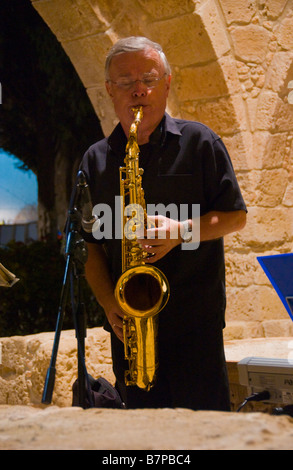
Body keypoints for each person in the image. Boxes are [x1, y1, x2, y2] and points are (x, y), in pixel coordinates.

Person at [79, 36, 247, 411]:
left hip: (195, 328)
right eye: (125, 82)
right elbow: (87, 243)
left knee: (205, 437)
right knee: (145, 441)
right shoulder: (96, 161)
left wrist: (180, 232)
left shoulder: (200, 142)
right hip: (131, 332)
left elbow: (236, 217)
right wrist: (109, 303)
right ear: (109, 90)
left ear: (167, 83)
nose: (138, 90)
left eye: (149, 79)